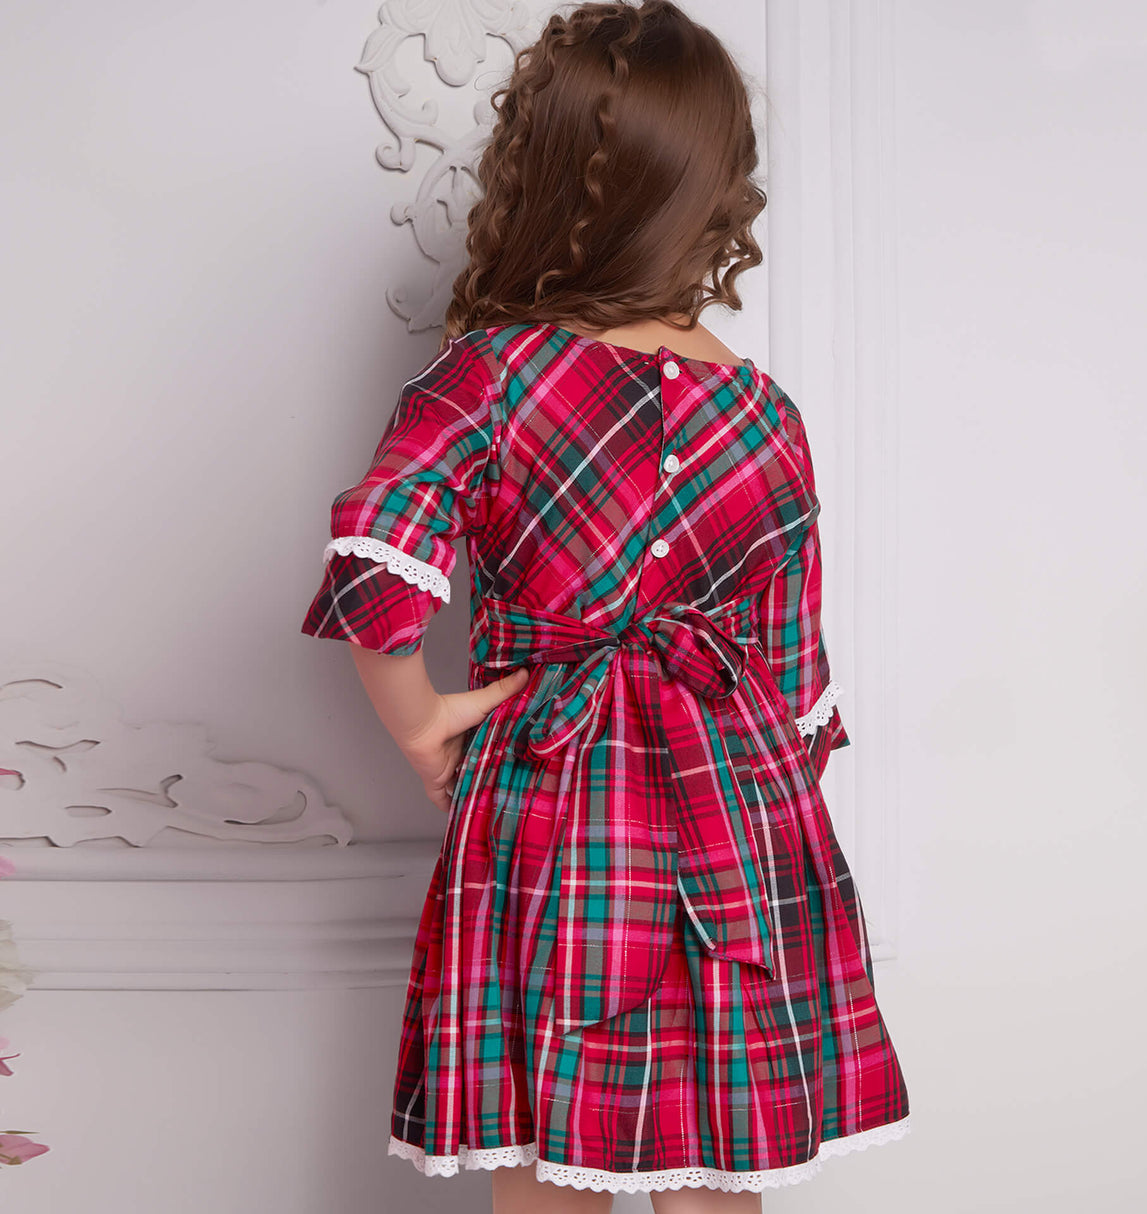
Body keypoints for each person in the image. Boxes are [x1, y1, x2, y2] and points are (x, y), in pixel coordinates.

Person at [299, 1, 911, 1209]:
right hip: (733, 822)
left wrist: (423, 723)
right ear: (718, 190)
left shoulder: (491, 378)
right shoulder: (765, 416)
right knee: (717, 1164)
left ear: (535, 173)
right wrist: (751, 813)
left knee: (544, 1166)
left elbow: (380, 561)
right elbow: (791, 680)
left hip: (551, 804)